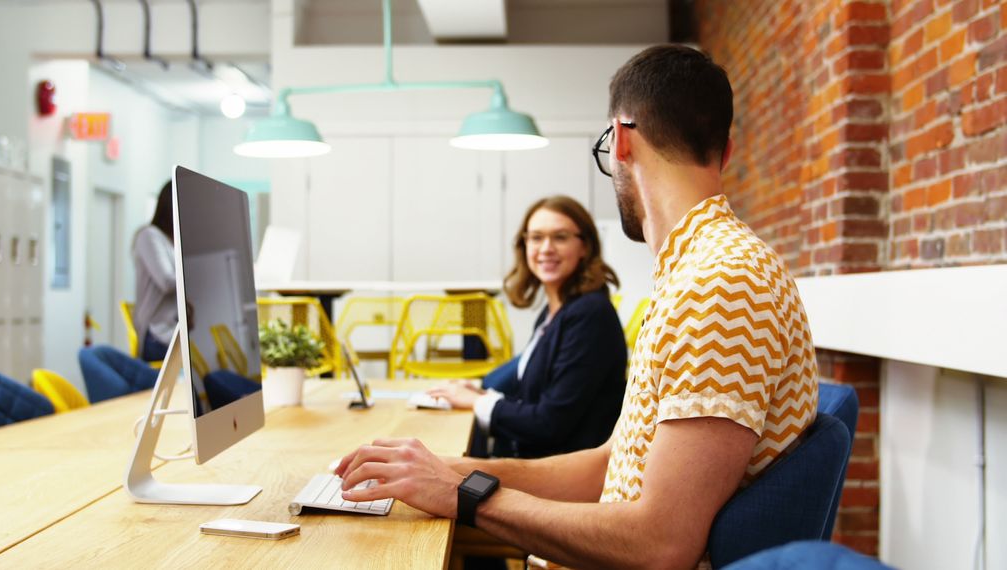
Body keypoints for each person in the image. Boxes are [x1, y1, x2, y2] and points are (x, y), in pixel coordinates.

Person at [334, 44, 819, 569]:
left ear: (622, 141)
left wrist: (465, 495)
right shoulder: (695, 274)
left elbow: (660, 543)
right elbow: (606, 467)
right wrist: (449, 470)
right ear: (726, 152)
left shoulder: (721, 284)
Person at [428, 196, 627, 460]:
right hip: (536, 458)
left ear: (585, 247)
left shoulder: (590, 315)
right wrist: (483, 394)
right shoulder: (553, 311)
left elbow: (549, 423)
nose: (545, 248)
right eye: (535, 238)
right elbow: (535, 397)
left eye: (560, 237)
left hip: (560, 474)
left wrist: (478, 402)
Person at [132, 181, 177, 363]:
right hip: (157, 334)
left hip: (174, 331)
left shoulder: (173, 241)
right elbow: (166, 281)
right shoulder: (149, 236)